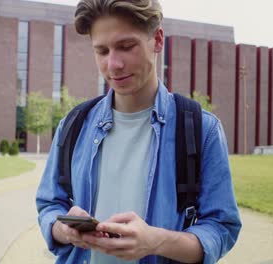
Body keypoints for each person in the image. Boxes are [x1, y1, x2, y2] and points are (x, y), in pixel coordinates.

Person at [36, 1, 241, 263]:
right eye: (101, 51)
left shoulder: (203, 129)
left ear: (157, 40)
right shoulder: (72, 125)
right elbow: (49, 206)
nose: (113, 64)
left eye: (126, 47)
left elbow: (222, 227)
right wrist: (62, 229)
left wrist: (156, 241)